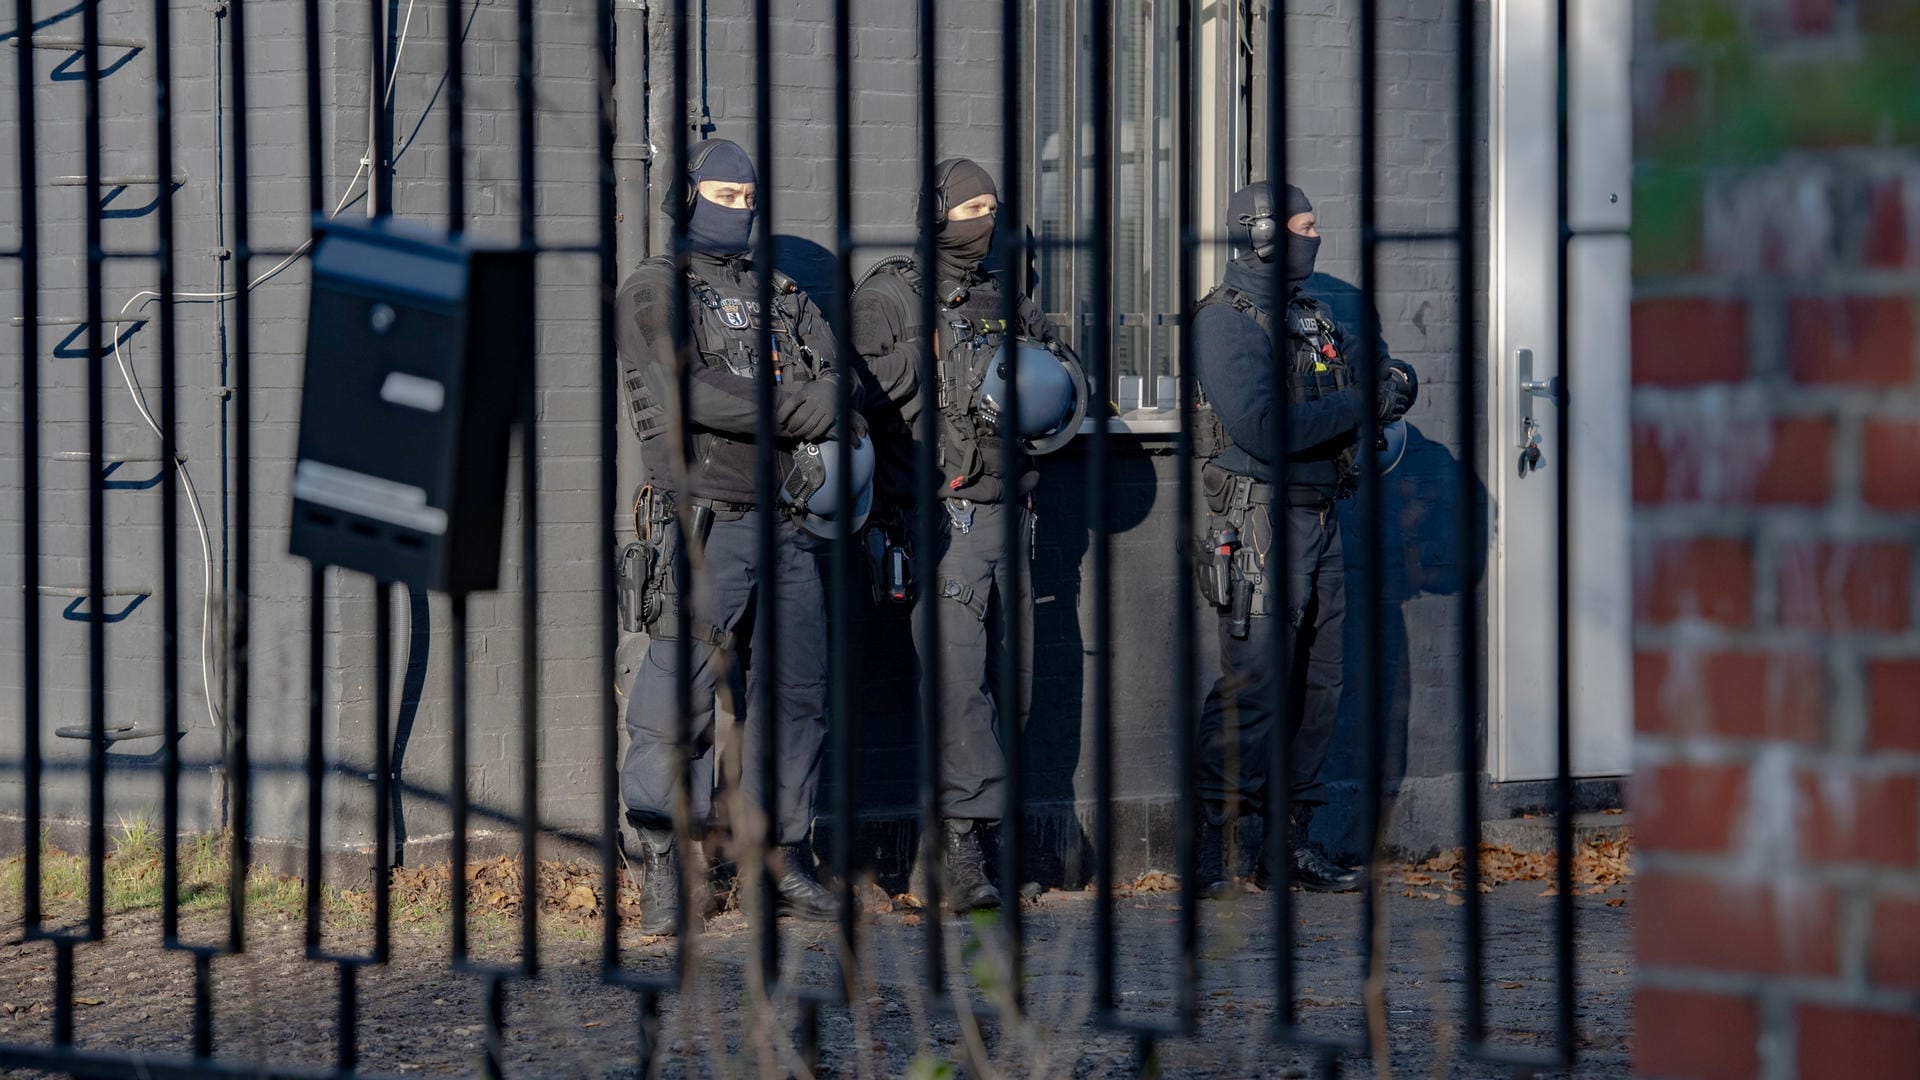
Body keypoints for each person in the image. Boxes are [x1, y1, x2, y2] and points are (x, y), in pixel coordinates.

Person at [614, 137, 852, 934]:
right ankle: (661, 859)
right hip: (705, 520)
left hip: (791, 519)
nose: (737, 214)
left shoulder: (778, 291)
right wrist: (798, 407)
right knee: (675, 694)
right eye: (722, 198)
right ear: (687, 199)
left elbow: (835, 366)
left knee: (799, 694)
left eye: (748, 201)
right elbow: (692, 390)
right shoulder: (654, 288)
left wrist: (828, 395)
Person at [846, 158, 1085, 912]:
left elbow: (1061, 381)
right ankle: (960, 853)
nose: (983, 221)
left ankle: (974, 836)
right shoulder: (890, 296)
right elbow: (855, 391)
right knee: (958, 693)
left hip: (1015, 516)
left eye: (992, 205)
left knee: (1010, 691)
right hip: (942, 524)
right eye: (969, 207)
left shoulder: (1001, 297)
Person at [1189, 181, 1417, 895]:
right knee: (1254, 687)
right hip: (1260, 516)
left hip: (1321, 512)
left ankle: (1290, 846)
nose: (1315, 236)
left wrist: (1393, 385)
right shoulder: (1226, 322)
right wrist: (1358, 405)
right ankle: (1213, 849)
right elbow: (1264, 427)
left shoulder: (1310, 315)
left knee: (1321, 686)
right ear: (1259, 232)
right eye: (1303, 224)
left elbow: (1359, 380)